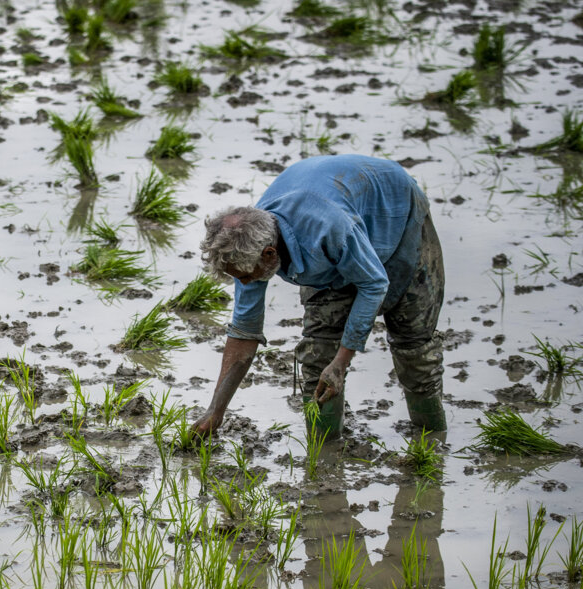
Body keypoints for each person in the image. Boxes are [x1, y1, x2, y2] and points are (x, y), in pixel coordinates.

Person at [191, 154, 446, 438]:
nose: (246, 283)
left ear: (270, 254)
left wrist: (342, 361)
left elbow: (374, 284)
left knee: (413, 343)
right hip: (330, 239)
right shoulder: (248, 245)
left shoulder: (330, 228)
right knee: (317, 357)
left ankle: (433, 441)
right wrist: (216, 410)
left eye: (246, 276)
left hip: (396, 216)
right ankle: (325, 451)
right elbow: (244, 332)